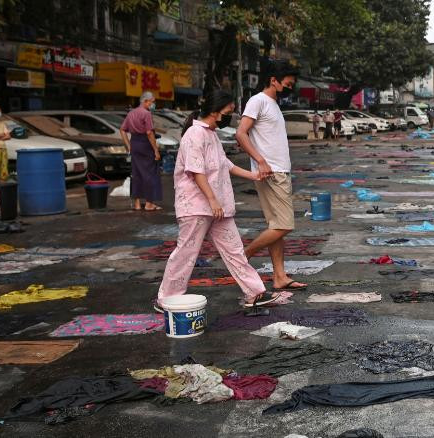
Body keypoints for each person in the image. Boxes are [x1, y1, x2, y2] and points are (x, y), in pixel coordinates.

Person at [156, 91, 279, 311]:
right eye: (227, 112)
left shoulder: (211, 134)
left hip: (219, 208)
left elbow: (225, 165)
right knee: (185, 254)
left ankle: (255, 292)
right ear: (214, 112)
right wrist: (212, 200)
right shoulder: (194, 134)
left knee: (235, 250)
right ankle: (166, 299)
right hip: (197, 206)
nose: (229, 116)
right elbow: (196, 171)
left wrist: (254, 176)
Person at [236, 61, 308, 291]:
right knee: (284, 225)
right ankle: (242, 257)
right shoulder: (258, 101)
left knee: (277, 225)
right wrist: (261, 161)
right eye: (287, 83)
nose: (290, 87)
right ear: (273, 80)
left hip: (279, 171)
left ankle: (280, 276)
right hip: (271, 172)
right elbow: (241, 133)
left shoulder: (273, 104)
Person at [120, 91, 163, 211]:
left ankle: (137, 204)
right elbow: (149, 133)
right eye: (152, 102)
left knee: (137, 173)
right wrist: (156, 150)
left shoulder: (131, 113)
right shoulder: (146, 114)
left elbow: (122, 130)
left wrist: (129, 145)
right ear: (146, 101)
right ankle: (149, 203)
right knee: (150, 174)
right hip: (145, 145)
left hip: (135, 144)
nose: (153, 104)